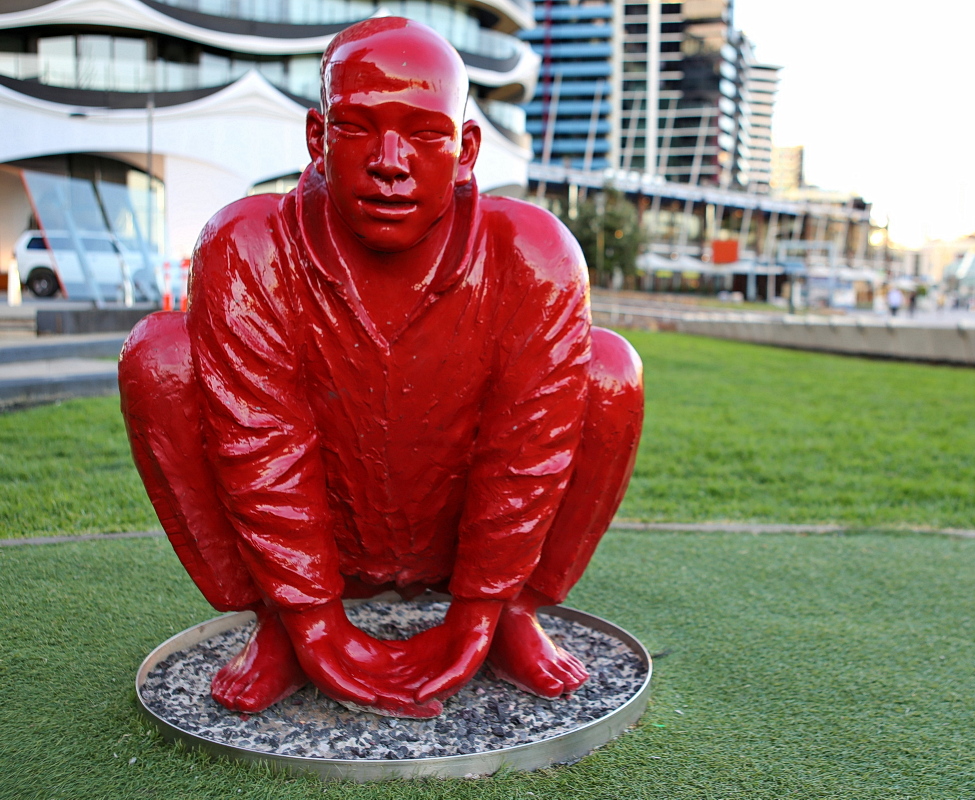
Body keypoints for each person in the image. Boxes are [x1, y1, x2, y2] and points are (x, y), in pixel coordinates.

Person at [119, 17, 643, 719]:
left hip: (456, 530)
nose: (390, 162)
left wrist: (481, 608)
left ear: (465, 150)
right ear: (318, 139)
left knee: (610, 372)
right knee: (160, 359)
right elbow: (260, 440)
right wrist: (311, 619)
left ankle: (516, 610)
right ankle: (275, 622)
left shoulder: (531, 251)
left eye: (425, 134)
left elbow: (529, 447)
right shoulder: (250, 242)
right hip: (328, 528)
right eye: (357, 128)